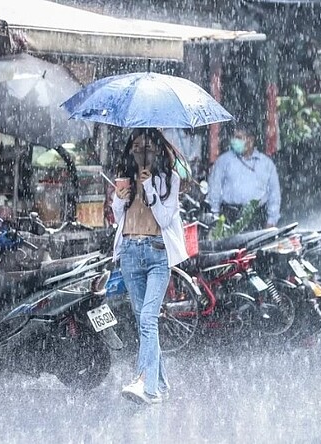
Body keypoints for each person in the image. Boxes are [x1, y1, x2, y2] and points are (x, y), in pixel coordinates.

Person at [112, 128, 188, 404]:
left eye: (147, 148)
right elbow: (119, 218)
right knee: (142, 320)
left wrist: (150, 189)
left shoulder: (170, 179)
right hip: (130, 253)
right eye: (136, 147)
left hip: (157, 253)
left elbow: (166, 219)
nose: (141, 153)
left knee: (148, 319)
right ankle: (162, 382)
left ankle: (145, 384)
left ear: (158, 150)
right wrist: (120, 198)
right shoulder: (127, 179)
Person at [207, 122, 281, 229]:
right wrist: (215, 216)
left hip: (256, 218)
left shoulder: (266, 164)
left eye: (239, 138)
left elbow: (274, 194)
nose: (234, 141)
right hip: (229, 217)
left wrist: (272, 219)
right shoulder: (223, 161)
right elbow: (215, 189)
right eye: (234, 137)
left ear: (250, 140)